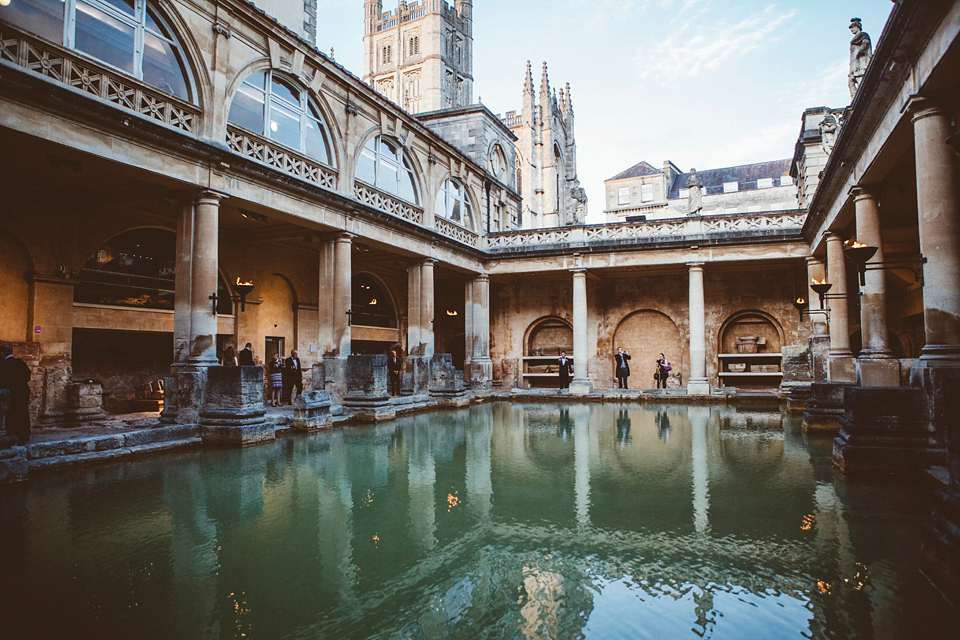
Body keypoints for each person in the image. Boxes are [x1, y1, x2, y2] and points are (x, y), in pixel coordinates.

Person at [0, 344, 31, 445]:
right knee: (23, 412)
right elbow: (27, 376)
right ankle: (24, 434)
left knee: (11, 414)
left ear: (2, 353)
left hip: (11, 393)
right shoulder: (20, 363)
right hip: (23, 391)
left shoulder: (4, 364)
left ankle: (12, 434)